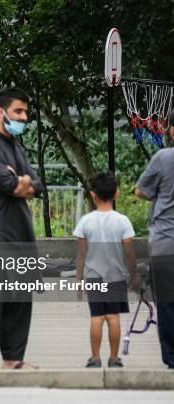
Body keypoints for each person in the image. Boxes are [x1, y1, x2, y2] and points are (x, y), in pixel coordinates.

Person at [0, 87, 44, 370]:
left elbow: (36, 186)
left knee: (20, 296)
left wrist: (24, 182)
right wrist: (20, 183)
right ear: (1, 112)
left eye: (25, 112)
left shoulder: (15, 146)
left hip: (19, 231)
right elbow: (10, 185)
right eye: (18, 111)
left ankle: (14, 359)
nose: (24, 117)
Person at [73, 171, 136, 368]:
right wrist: (133, 275)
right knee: (113, 317)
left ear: (93, 195)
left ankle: (95, 358)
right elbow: (129, 253)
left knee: (97, 317)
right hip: (116, 277)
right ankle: (114, 358)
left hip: (94, 277)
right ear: (116, 194)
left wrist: (79, 279)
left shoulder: (85, 221)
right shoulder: (123, 221)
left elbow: (81, 255)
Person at [135, 110, 174, 369]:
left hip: (165, 241)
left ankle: (172, 358)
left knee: (168, 303)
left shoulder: (163, 158)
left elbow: (141, 191)